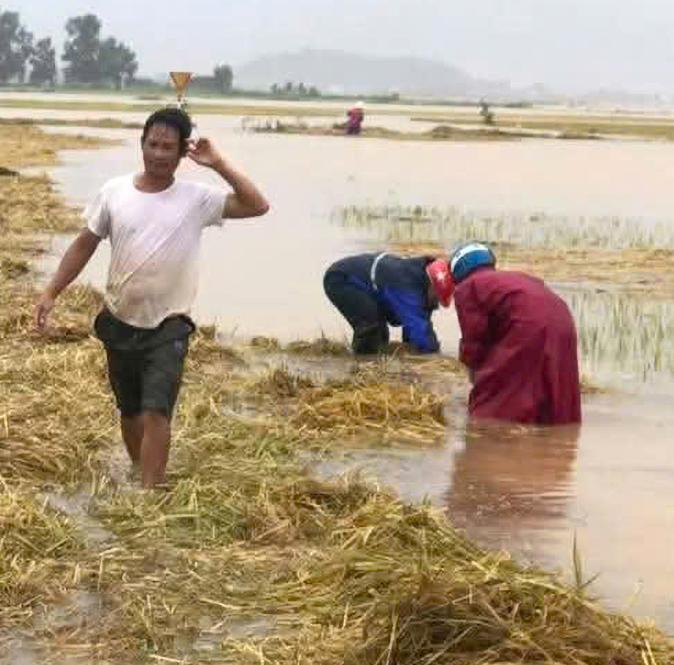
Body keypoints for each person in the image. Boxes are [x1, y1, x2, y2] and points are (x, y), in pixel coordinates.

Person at [35, 108, 270, 488]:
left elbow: (257, 205)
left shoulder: (197, 199)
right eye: (153, 144)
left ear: (182, 154)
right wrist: (51, 292)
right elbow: (83, 245)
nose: (160, 154)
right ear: (141, 144)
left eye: (169, 147)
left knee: (157, 410)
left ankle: (150, 495)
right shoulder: (114, 193)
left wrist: (219, 164)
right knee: (130, 412)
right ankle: (137, 469)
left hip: (169, 325)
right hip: (119, 319)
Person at [448, 241, 582, 425]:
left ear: (458, 274)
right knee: (553, 394)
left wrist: (477, 377)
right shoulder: (516, 278)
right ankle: (560, 440)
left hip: (527, 324)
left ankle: (491, 443)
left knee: (492, 408)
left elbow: (474, 338)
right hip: (564, 321)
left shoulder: (469, 287)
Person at [321, 252, 453, 354]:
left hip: (368, 286)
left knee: (382, 337)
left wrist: (414, 350)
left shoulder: (421, 280)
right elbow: (419, 329)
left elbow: (414, 331)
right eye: (437, 297)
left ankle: (370, 360)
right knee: (371, 327)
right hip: (341, 279)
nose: (437, 303)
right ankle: (361, 364)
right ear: (431, 286)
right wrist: (436, 357)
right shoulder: (406, 286)